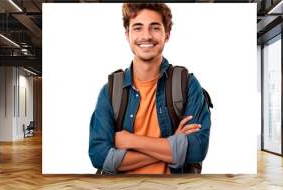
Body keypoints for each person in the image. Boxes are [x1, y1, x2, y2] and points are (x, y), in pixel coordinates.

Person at [89, 3, 211, 174]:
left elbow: (197, 149)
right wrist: (174, 144)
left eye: (155, 28)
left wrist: (130, 140)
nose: (146, 36)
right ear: (127, 35)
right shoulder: (110, 91)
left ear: (166, 35)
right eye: (138, 28)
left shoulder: (187, 84)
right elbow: (98, 155)